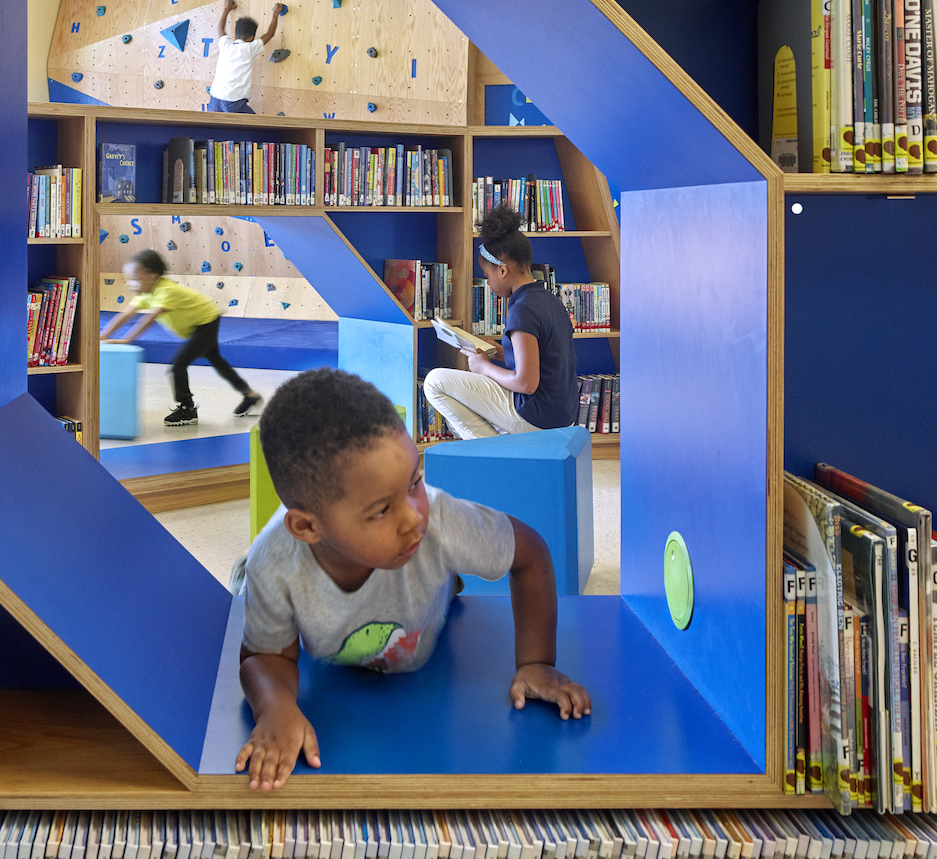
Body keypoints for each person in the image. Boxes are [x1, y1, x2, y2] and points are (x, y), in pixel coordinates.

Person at [234, 368, 591, 791]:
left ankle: (446, 578)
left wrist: (537, 663)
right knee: (248, 585)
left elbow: (529, 553)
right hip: (310, 623)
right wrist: (275, 707)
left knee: (434, 553)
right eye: (381, 510)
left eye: (414, 482)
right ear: (308, 528)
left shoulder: (439, 520)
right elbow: (264, 655)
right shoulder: (274, 563)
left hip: (427, 596)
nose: (412, 517)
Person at [423, 206, 579, 440]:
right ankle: (501, 445)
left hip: (537, 417)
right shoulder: (550, 300)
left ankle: (494, 452)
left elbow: (526, 383)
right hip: (563, 415)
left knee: (434, 382)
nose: (488, 283)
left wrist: (484, 367)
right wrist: (497, 352)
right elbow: (545, 361)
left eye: (487, 276)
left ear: (503, 270)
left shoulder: (521, 310)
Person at [98, 248, 262, 427]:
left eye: (135, 279)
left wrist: (127, 339)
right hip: (199, 323)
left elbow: (149, 318)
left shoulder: (167, 291)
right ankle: (250, 396)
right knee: (217, 361)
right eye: (129, 280)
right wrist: (103, 334)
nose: (131, 285)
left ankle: (187, 408)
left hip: (205, 322)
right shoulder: (148, 293)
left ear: (152, 276)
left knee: (178, 366)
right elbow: (126, 314)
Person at [206, 0, 284, 114]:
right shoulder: (249, 48)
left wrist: (227, 9)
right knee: (254, 127)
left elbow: (220, 29)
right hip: (233, 103)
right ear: (252, 38)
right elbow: (270, 34)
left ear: (235, 34)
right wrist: (275, 14)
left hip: (214, 99)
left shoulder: (225, 45)